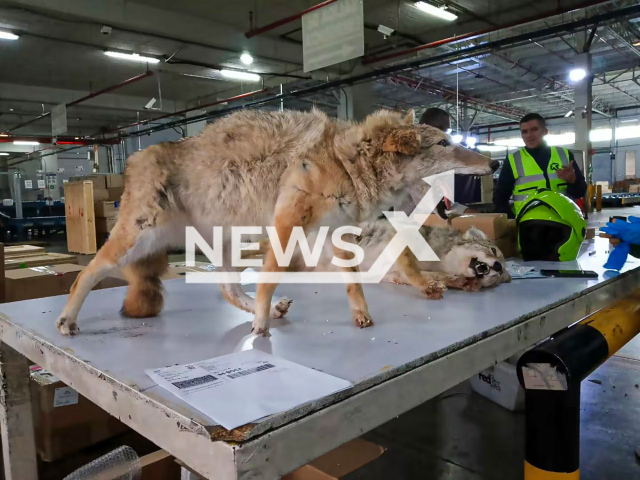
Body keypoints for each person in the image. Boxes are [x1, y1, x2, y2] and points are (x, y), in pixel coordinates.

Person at [493, 113, 587, 218]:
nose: (529, 135)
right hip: (529, 228)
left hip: (563, 224)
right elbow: (499, 199)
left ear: (545, 132)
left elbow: (580, 192)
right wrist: (514, 222)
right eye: (524, 132)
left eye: (534, 129)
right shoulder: (513, 161)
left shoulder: (564, 155)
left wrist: (573, 181)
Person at [418, 108, 477, 215]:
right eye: (443, 129)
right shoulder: (412, 156)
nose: (446, 134)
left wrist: (465, 211)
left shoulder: (440, 159)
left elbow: (444, 201)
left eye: (447, 130)